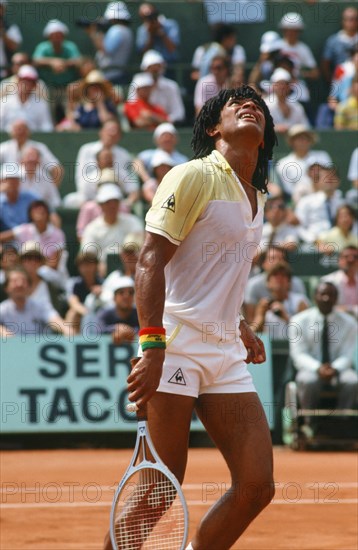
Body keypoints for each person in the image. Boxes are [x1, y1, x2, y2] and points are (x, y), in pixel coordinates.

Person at [103, 85, 278, 550]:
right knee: (161, 487)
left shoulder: (257, 196)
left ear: (264, 137)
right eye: (236, 105)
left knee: (258, 485)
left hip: (224, 351)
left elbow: (214, 272)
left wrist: (237, 323)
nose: (250, 107)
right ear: (213, 128)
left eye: (258, 106)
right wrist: (152, 345)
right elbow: (150, 259)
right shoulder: (191, 175)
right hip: (175, 341)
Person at [288, 282, 357, 413]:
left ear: (336, 298)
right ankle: (309, 422)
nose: (326, 298)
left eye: (331, 295)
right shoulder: (298, 321)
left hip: (340, 370)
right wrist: (318, 368)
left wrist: (335, 369)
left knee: (352, 381)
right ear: (315, 297)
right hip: (310, 369)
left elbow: (348, 354)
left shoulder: (350, 323)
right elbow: (299, 354)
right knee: (307, 381)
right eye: (322, 294)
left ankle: (343, 421)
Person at [65, 120, 139, 209]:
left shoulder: (124, 155)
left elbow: (132, 187)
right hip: (89, 198)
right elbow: (80, 179)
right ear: (101, 132)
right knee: (69, 200)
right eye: (109, 130)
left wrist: (127, 202)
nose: (112, 133)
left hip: (115, 199)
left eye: (115, 131)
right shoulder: (86, 150)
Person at [80, 184, 144, 276]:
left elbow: (140, 252)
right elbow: (88, 256)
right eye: (107, 202)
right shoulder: (91, 228)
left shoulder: (133, 222)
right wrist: (98, 266)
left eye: (115, 202)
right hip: (102, 277)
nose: (112, 206)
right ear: (100, 205)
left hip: (131, 274)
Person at [32, 19, 82, 122]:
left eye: (59, 35)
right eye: (53, 35)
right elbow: (36, 61)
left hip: (67, 88)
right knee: (48, 114)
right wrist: (52, 62)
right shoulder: (43, 47)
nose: (56, 38)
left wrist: (63, 64)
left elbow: (78, 61)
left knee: (72, 113)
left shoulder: (70, 46)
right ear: (49, 37)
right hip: (48, 88)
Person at [0, 266, 71, 338]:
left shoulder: (40, 306)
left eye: (23, 281)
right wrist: (6, 335)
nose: (19, 284)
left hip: (38, 347)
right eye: (14, 281)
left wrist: (67, 330)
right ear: (6, 287)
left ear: (29, 286)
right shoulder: (3, 309)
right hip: (11, 348)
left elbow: (55, 320)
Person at [243, 245, 306, 324]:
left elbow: (304, 323)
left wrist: (285, 316)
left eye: (281, 258)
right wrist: (260, 315)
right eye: (272, 258)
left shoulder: (297, 284)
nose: (277, 262)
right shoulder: (253, 285)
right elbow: (250, 322)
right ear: (264, 263)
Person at [250, 262, 309, 340]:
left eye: (283, 275)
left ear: (289, 282)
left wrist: (285, 316)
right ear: (268, 283)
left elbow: (307, 331)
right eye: (275, 275)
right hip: (270, 349)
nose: (279, 278)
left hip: (293, 348)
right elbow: (252, 335)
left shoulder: (300, 302)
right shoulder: (263, 304)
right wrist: (260, 317)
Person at [0, 119, 64, 188]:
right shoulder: (3, 148)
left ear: (28, 132)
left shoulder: (39, 147)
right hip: (9, 192)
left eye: (23, 129)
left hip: (36, 191)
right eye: (17, 129)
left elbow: (57, 169)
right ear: (11, 132)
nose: (20, 132)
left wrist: (51, 189)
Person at [84, 1, 133, 85]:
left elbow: (106, 50)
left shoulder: (116, 30)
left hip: (112, 75)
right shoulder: (126, 30)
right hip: (116, 73)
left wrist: (93, 33)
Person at [0, 64, 53, 132]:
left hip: (33, 140)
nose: (25, 84)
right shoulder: (4, 103)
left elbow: (47, 127)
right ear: (17, 82)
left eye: (29, 81)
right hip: (8, 141)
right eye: (22, 80)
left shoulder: (41, 105)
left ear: (34, 85)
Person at [138, 49, 185, 124]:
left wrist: (164, 120)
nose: (155, 70)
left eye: (157, 67)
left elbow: (179, 113)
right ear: (145, 69)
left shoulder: (172, 86)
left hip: (166, 125)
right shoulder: (137, 84)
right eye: (151, 67)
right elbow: (132, 107)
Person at [264, 67, 310, 133]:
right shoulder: (265, 105)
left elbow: (305, 127)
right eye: (279, 84)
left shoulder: (297, 107)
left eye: (285, 84)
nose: (282, 87)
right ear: (273, 86)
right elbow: (260, 127)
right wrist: (274, 128)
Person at [95, 275, 139, 344]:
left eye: (130, 292)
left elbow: (145, 330)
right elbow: (97, 331)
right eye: (121, 292)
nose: (126, 296)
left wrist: (128, 331)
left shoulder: (139, 314)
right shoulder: (104, 314)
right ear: (114, 297)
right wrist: (116, 328)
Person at [321, 6, 358, 83]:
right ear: (343, 21)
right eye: (349, 19)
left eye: (355, 19)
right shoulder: (333, 41)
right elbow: (325, 64)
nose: (352, 22)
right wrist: (332, 81)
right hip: (340, 81)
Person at [0, 163, 39, 231]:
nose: (12, 183)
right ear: (2, 181)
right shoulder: (1, 201)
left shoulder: (30, 197)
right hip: (6, 240)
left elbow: (47, 212)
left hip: (30, 238)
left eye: (15, 180)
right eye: (8, 179)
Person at [322, 245, 358, 318]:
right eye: (346, 256)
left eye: (355, 257)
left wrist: (348, 310)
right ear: (339, 260)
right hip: (336, 323)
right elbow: (326, 307)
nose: (351, 260)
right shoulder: (328, 281)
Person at [0, 0, 22, 79]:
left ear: (3, 9)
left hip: (4, 74)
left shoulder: (11, 27)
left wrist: (2, 33)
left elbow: (14, 47)